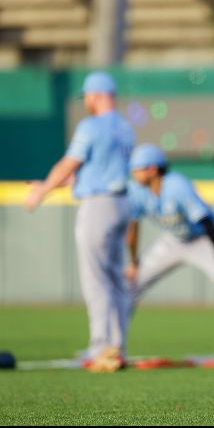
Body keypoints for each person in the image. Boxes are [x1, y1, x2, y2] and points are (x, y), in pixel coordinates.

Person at [25, 71, 135, 367]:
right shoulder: (125, 128)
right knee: (114, 278)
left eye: (87, 96)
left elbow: (69, 164)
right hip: (121, 203)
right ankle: (117, 346)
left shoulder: (91, 125)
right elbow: (91, 171)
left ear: (96, 95)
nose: (86, 101)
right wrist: (51, 185)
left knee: (95, 278)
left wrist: (42, 192)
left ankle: (100, 346)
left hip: (98, 205)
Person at [124, 143, 214, 362]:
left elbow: (207, 221)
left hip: (203, 239)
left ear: (152, 169)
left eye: (138, 169)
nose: (134, 174)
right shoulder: (136, 191)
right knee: (129, 285)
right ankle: (112, 345)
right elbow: (132, 229)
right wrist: (134, 262)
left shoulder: (177, 186)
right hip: (173, 240)